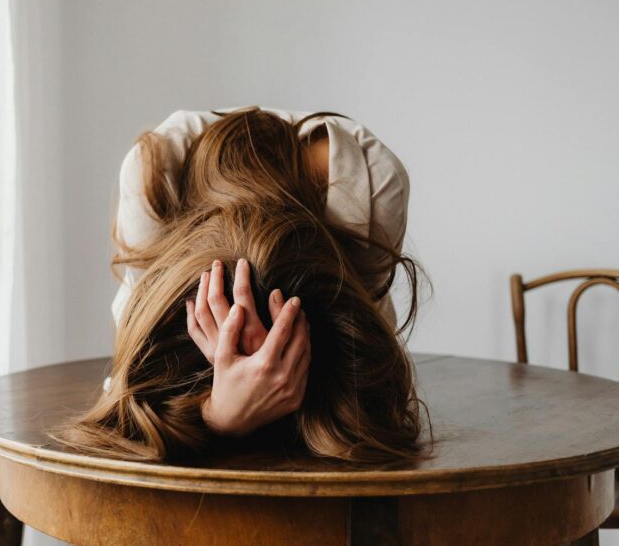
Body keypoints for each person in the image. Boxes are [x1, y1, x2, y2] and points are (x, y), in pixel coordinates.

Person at [54, 106, 423, 463]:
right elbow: (126, 395)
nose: (259, 362)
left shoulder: (368, 191)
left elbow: (376, 409)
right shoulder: (153, 180)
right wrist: (217, 415)